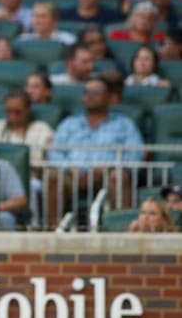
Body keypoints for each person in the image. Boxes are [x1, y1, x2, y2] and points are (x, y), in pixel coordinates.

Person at [46, 77, 144, 227]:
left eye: (96, 92)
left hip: (107, 176)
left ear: (109, 97)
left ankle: (121, 229)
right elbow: (54, 153)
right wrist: (71, 168)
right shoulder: (69, 123)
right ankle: (53, 230)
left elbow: (136, 154)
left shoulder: (124, 124)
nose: (90, 95)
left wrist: (108, 168)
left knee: (118, 176)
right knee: (52, 176)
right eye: (86, 92)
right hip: (74, 177)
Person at [0, 88, 53, 226]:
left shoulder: (42, 128)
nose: (12, 115)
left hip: (32, 176)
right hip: (1, 177)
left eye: (17, 111)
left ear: (28, 110)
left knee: (31, 186)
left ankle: (33, 225)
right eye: (8, 111)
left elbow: (46, 160)